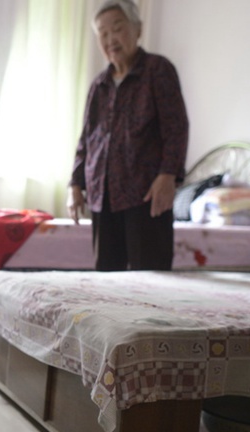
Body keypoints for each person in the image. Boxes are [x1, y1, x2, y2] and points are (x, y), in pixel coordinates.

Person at [68, 0, 189, 271]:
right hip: (103, 194)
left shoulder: (158, 70)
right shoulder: (98, 85)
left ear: (138, 30)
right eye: (103, 33)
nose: (110, 39)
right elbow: (86, 139)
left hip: (146, 195)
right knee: (106, 281)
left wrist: (168, 175)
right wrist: (75, 184)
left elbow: (176, 128)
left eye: (118, 28)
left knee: (150, 281)